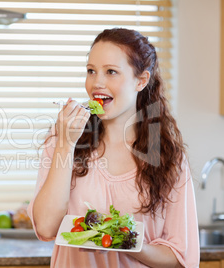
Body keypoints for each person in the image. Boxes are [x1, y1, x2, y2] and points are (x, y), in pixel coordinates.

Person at [27, 28, 199, 267]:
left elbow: (180, 258)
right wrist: (65, 145)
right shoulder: (63, 138)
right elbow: (46, 227)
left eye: (111, 72)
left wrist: (126, 241)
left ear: (141, 80)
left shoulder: (167, 157)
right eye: (91, 71)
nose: (97, 83)